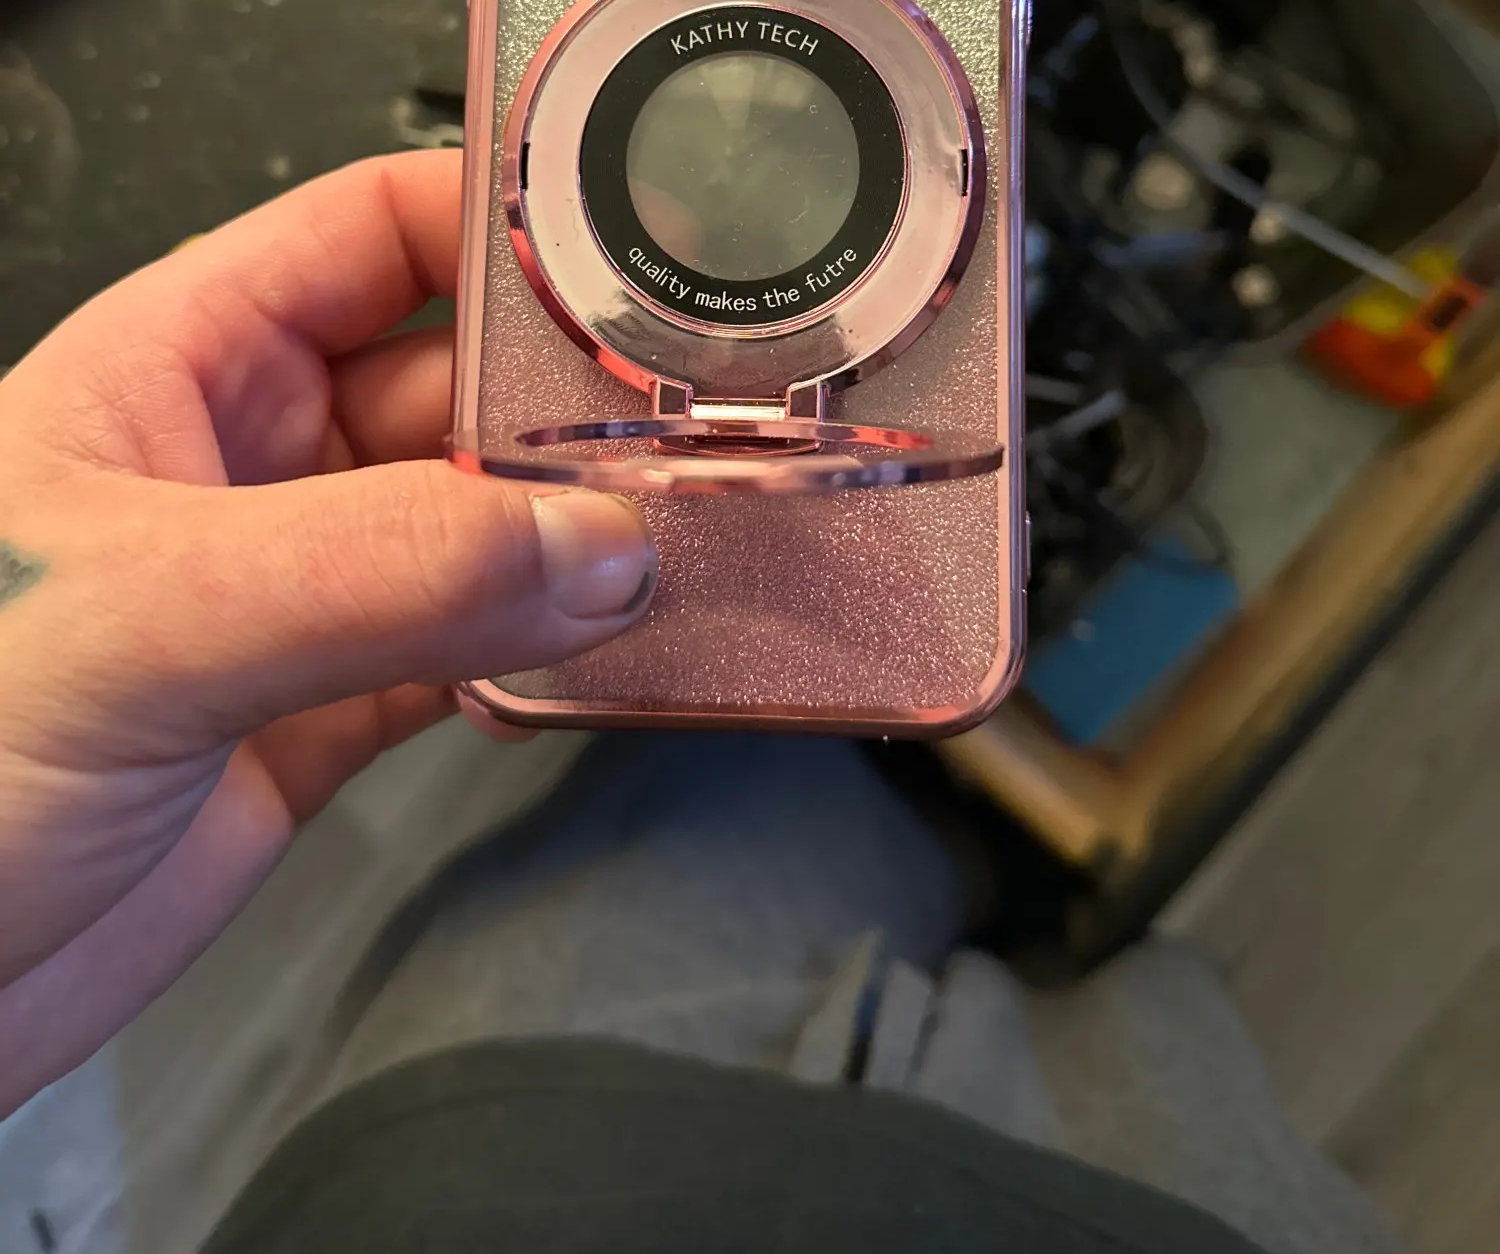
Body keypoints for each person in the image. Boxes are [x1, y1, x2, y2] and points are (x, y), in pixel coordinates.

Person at [0, 153, 1401, 1253]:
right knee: (793, 834)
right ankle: (985, 870)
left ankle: (963, 865)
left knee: (703, 831)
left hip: (475, 1174)